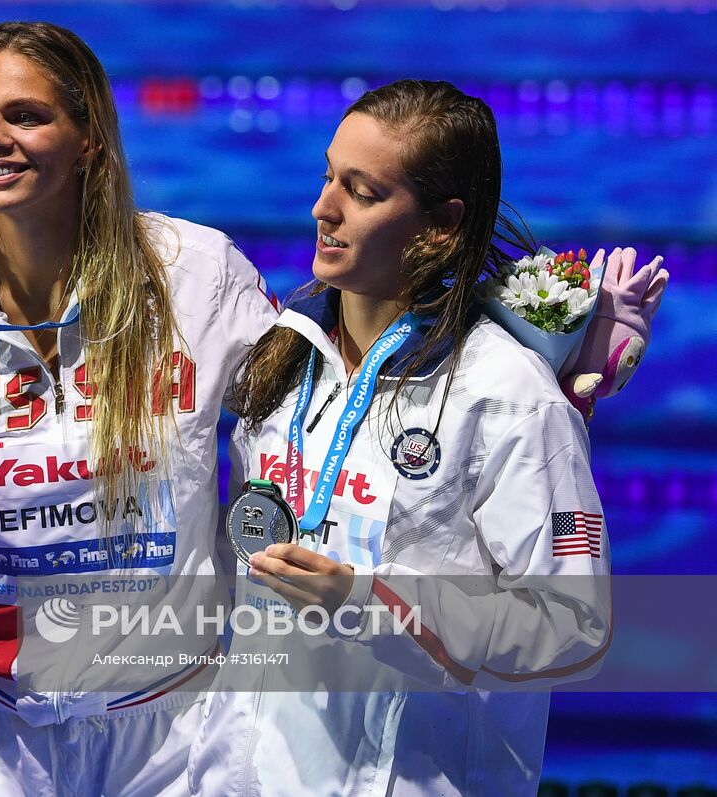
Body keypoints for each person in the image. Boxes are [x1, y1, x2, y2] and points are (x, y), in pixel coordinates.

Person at [0, 21, 279, 797]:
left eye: (25, 115)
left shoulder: (194, 277)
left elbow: (303, 417)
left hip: (176, 733)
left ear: (88, 141)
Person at [187, 79, 612, 797]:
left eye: (363, 191)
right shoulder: (280, 365)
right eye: (328, 177)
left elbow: (574, 625)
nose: (323, 208)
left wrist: (368, 601)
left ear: (441, 226)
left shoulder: (509, 395)